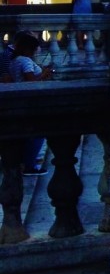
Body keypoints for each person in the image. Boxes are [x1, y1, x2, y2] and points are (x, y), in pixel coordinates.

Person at [7, 32, 54, 176]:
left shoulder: (15, 60)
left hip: (19, 99)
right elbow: (30, 81)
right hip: (30, 100)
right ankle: (29, 165)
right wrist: (45, 74)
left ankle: (25, 162)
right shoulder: (25, 61)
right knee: (37, 133)